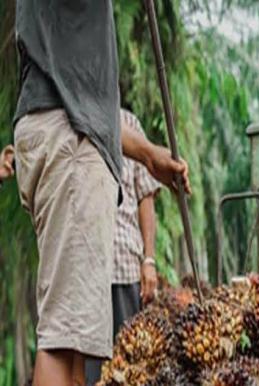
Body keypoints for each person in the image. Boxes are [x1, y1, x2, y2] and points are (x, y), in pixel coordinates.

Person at [13, 2, 190, 385]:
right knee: (63, 340)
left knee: (76, 351)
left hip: (68, 130)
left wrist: (145, 153)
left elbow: (83, 101)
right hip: (70, 141)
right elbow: (74, 105)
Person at [85, 109, 162, 385]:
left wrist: (149, 260)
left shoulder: (130, 124)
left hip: (126, 264)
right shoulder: (77, 116)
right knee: (93, 373)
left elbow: (146, 197)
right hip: (88, 272)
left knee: (134, 366)